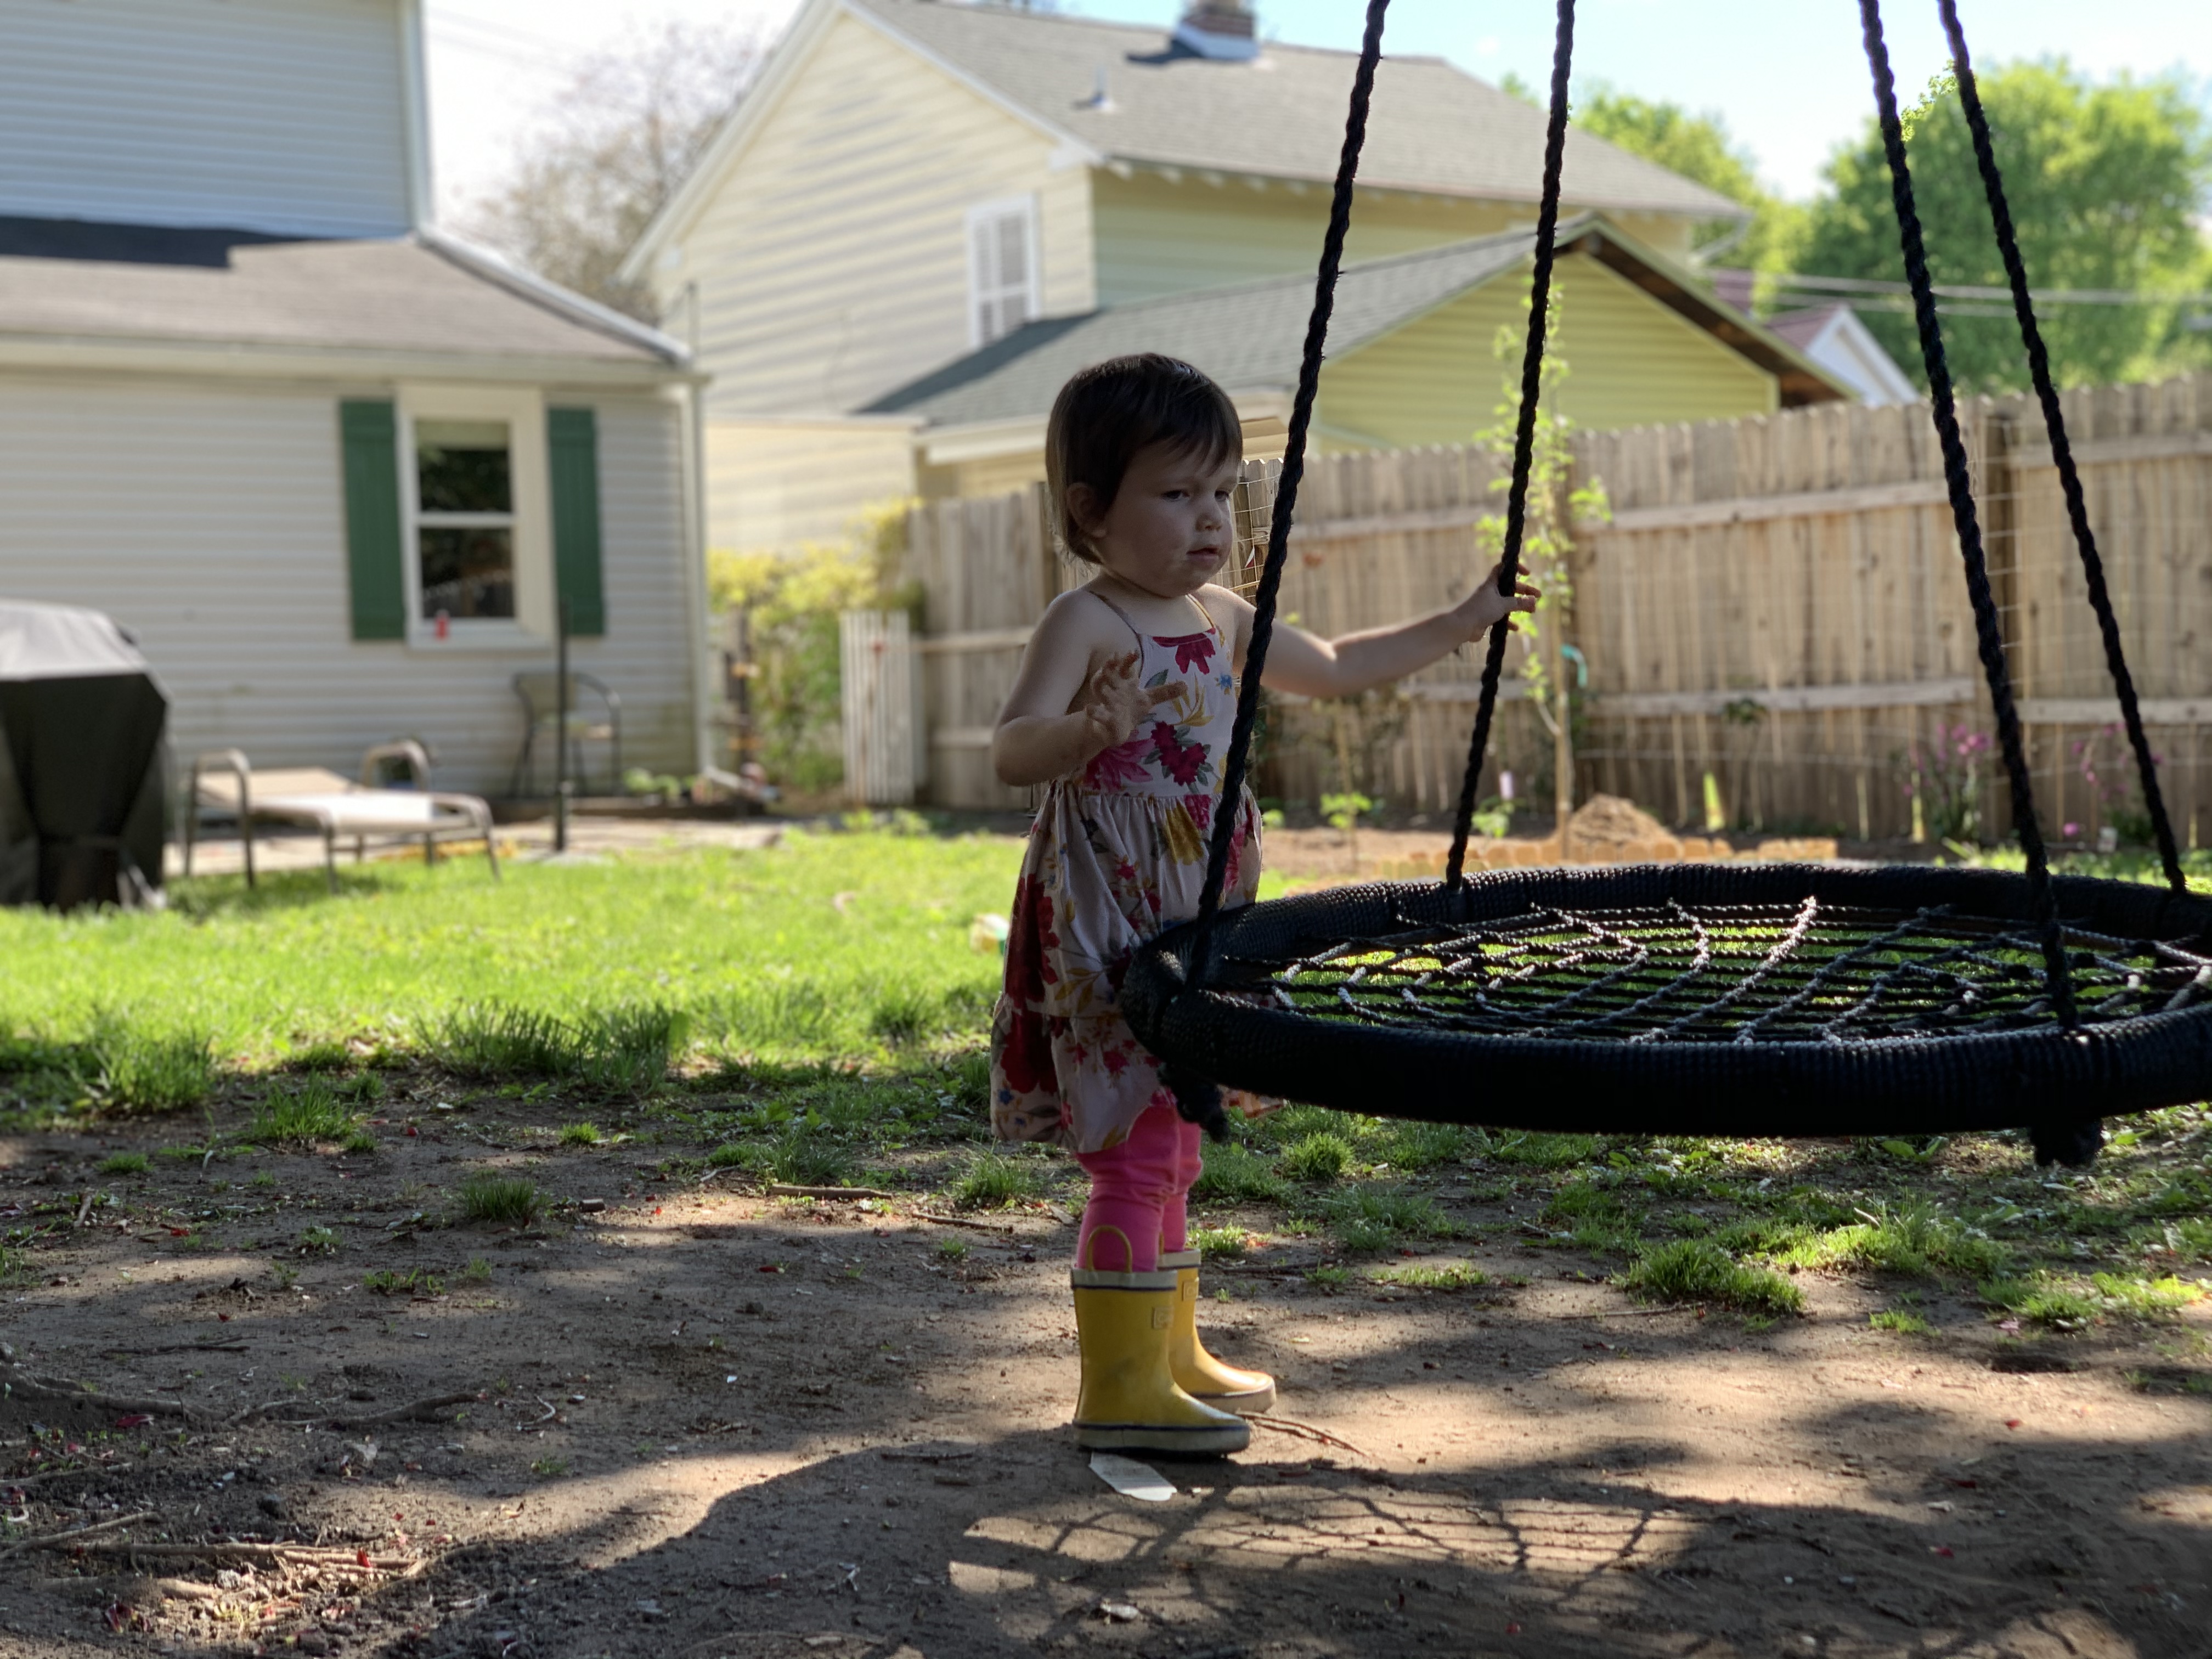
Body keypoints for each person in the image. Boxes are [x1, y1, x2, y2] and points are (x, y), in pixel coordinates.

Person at [989, 353, 1538, 1454]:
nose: (1208, 517)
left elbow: (1332, 665)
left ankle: (1168, 1351)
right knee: (1134, 1147)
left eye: (1219, 490)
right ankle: (1119, 1386)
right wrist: (1089, 731)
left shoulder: (1220, 614)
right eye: (1174, 492)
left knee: (1178, 1136)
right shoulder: (1087, 623)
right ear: (1091, 510)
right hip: (1112, 921)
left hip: (1199, 908)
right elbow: (1010, 751)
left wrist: (1462, 619)